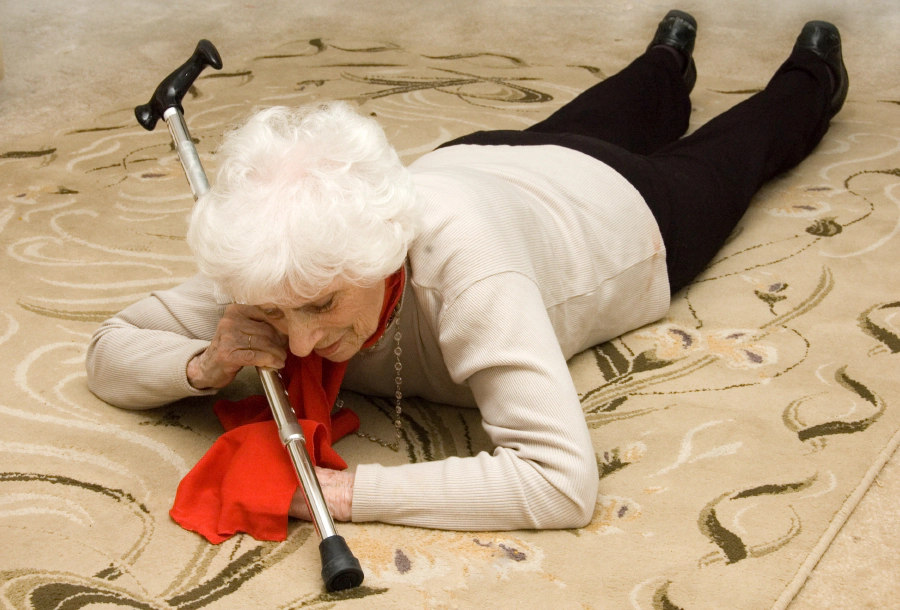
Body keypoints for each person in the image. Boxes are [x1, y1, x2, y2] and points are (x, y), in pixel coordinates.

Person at [87, 11, 849, 534]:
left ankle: (812, 76)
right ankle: (666, 61)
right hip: (483, 158)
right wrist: (208, 362)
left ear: (380, 248)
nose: (306, 341)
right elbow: (109, 351)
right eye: (281, 316)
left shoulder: (467, 269)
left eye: (322, 305)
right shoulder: (282, 266)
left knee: (746, 143)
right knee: (621, 100)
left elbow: (558, 482)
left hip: (622, 213)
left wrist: (333, 491)